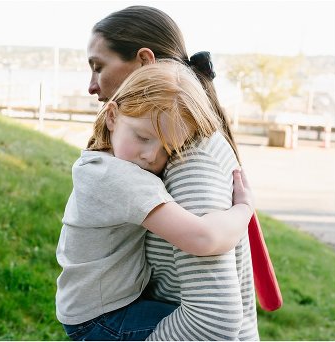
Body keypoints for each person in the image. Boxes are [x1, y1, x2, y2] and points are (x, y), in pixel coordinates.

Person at [87, 6, 259, 340]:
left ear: (144, 62)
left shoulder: (188, 156)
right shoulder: (168, 146)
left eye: (98, 67)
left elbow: (212, 321)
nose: (92, 86)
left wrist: (244, 209)